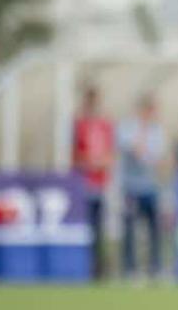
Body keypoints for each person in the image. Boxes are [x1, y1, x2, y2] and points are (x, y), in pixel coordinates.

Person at [118, 95, 166, 279]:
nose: (153, 114)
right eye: (150, 110)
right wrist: (143, 136)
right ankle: (130, 268)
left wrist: (150, 156)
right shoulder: (128, 128)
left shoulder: (157, 131)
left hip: (151, 187)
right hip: (131, 187)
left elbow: (159, 158)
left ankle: (155, 268)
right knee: (130, 228)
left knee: (155, 229)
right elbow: (136, 151)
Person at [72, 86, 115, 279]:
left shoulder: (106, 126)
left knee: (99, 229)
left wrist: (103, 163)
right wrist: (87, 162)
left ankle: (99, 269)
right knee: (83, 229)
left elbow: (111, 155)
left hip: (101, 185)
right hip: (82, 185)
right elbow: (73, 155)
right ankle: (83, 267)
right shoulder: (78, 125)